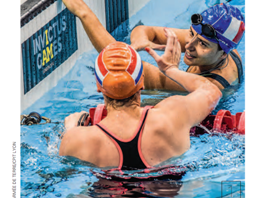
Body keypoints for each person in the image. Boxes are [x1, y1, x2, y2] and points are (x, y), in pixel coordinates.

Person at [59, 29, 222, 169]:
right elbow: (212, 91)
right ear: (142, 82)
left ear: (98, 86)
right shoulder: (174, 114)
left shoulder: (78, 140)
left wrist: (71, 130)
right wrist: (170, 70)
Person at [61, 0, 244, 91]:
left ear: (223, 54)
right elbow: (146, 30)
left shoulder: (206, 85)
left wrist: (84, 13)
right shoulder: (217, 44)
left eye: (202, 44)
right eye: (190, 33)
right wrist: (139, 41)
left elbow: (124, 63)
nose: (188, 45)